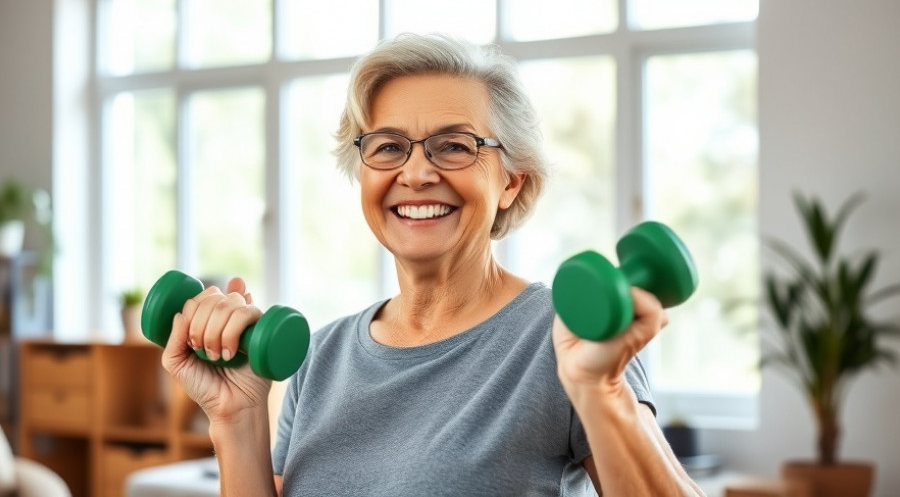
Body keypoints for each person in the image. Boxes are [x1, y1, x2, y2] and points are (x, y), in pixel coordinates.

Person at [161, 33, 704, 496]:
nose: (416, 174)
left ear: (511, 181)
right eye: (389, 147)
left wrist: (601, 391)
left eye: (453, 146)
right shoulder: (320, 359)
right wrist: (237, 419)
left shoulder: (565, 338)